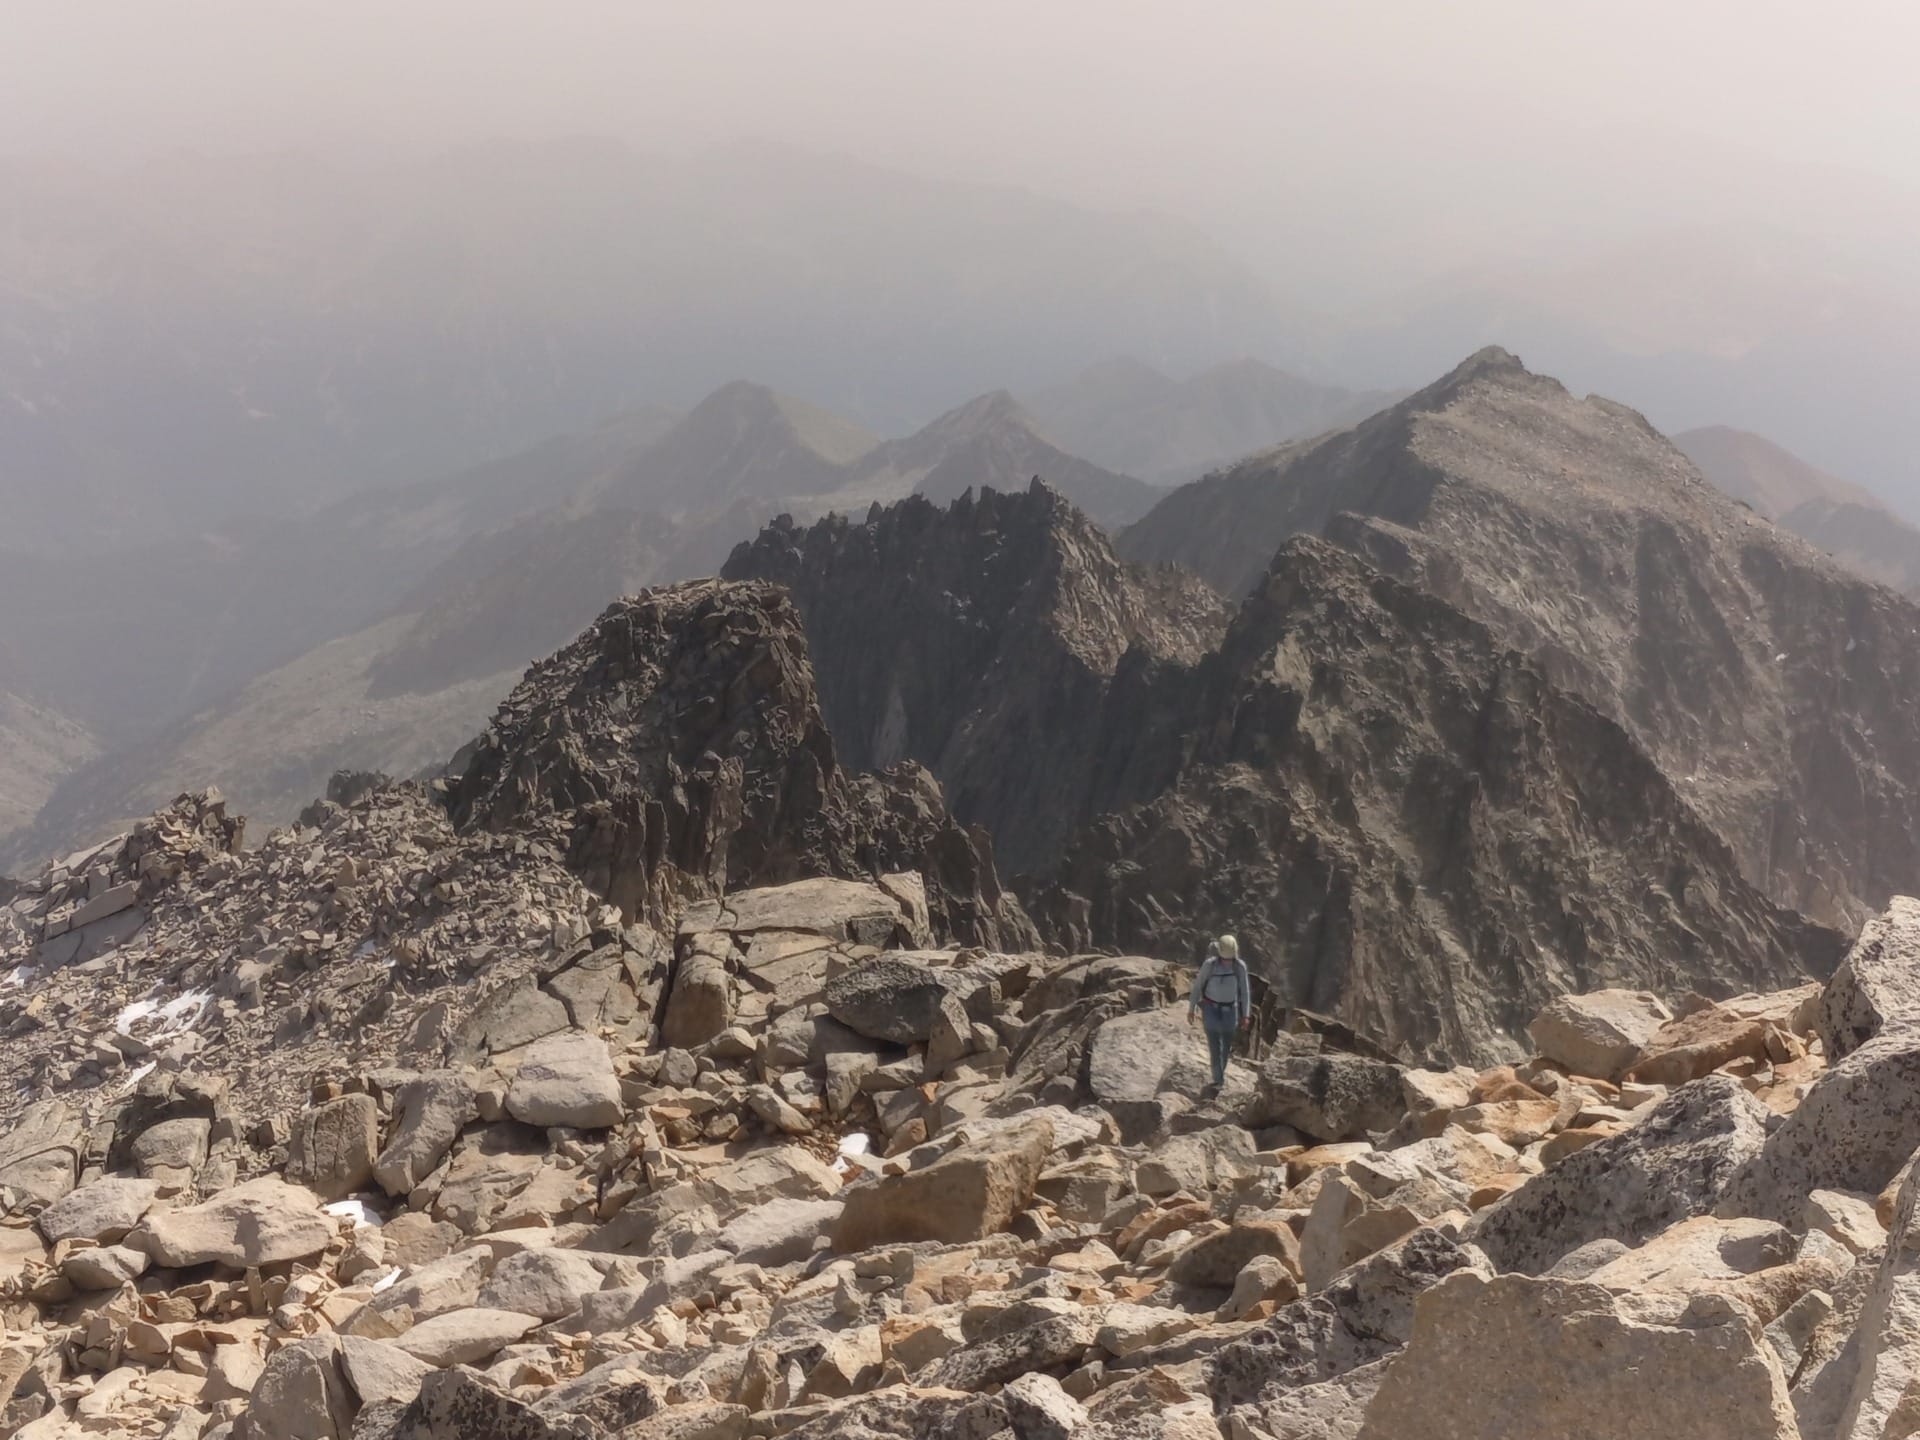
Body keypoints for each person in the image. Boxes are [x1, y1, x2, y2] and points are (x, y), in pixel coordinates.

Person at [1188, 934, 1251, 1095]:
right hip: (1211, 1009)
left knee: (1225, 1048)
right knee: (1215, 1047)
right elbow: (1198, 986)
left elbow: (1245, 992)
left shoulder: (1239, 967)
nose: (1228, 961)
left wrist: (1246, 1015)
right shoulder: (1209, 965)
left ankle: (1219, 1076)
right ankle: (1218, 1080)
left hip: (1231, 1011)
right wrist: (1192, 1007)